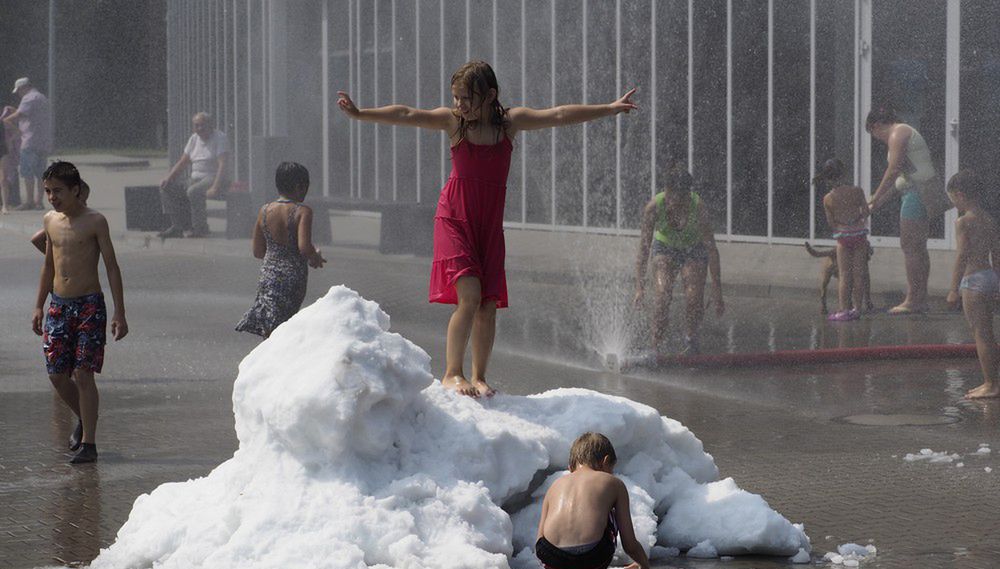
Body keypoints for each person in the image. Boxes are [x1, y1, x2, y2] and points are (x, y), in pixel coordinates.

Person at [338, 61, 635, 397]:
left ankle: (479, 376)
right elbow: (407, 114)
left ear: (490, 95)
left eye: (467, 98)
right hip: (454, 218)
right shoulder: (454, 124)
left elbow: (558, 115)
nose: (459, 105)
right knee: (470, 297)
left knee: (488, 304)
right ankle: (452, 373)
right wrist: (361, 114)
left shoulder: (509, 124)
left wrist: (609, 109)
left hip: (488, 226)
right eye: (456, 97)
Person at [31, 162, 128, 464]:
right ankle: (85, 418)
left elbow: (111, 266)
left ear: (75, 190)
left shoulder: (95, 221)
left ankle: (89, 444)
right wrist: (38, 305)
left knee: (84, 374)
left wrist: (119, 313)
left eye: (57, 191)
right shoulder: (50, 221)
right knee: (58, 375)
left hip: (89, 305)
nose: (52, 197)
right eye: (48, 191)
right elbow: (49, 264)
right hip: (59, 306)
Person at [534, 432, 650, 569]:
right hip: (592, 561)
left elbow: (540, 537)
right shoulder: (613, 483)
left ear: (570, 466)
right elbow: (629, 543)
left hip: (552, 562)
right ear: (605, 461)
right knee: (606, 515)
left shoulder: (555, 485)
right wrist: (644, 565)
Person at [633, 167, 723, 355]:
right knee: (662, 295)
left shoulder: (698, 208)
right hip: (664, 248)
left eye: (679, 200)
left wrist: (716, 289)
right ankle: (656, 345)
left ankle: (691, 340)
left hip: (693, 249)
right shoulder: (654, 208)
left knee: (693, 296)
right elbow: (644, 248)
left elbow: (712, 250)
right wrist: (639, 287)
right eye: (670, 197)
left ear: (687, 195)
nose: (673, 204)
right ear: (666, 191)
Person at [236, 162, 326, 338]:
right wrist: (315, 257)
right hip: (291, 278)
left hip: (268, 276)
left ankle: (266, 361)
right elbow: (304, 247)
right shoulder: (302, 211)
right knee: (284, 327)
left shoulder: (264, 210)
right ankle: (277, 363)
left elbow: (257, 251)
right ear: (300, 186)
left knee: (270, 325)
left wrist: (276, 257)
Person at [866, 106, 938, 314]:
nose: (877, 138)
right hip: (916, 190)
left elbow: (894, 170)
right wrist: (877, 203)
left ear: (876, 125)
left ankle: (913, 299)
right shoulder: (904, 132)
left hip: (918, 193)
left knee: (910, 246)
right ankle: (920, 298)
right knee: (917, 247)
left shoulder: (898, 132)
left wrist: (875, 196)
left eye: (873, 134)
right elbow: (901, 179)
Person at [945, 170, 1000, 399]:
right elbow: (997, 253)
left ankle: (991, 385)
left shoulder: (964, 221)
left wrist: (952, 289)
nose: (954, 204)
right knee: (987, 333)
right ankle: (992, 382)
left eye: (953, 200)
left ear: (961, 195)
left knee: (981, 334)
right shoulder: (989, 219)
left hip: (973, 280)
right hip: (989, 276)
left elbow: (962, 256)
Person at [814, 158, 871, 321]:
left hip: (843, 238)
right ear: (844, 173)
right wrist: (857, 218)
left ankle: (843, 310)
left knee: (845, 275)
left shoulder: (828, 198)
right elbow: (866, 212)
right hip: (859, 235)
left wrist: (843, 224)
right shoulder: (857, 191)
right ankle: (857, 309)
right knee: (859, 274)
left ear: (828, 177)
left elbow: (831, 223)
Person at [159, 111, 229, 238]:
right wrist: (168, 178)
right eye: (197, 125)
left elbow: (222, 164)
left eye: (203, 125)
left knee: (193, 191)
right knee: (167, 187)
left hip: (212, 177)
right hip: (194, 178)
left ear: (210, 125)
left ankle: (200, 228)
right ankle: (177, 226)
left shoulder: (220, 137)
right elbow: (183, 162)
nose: (200, 128)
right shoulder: (194, 139)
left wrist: (215, 187)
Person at [4, 78, 53, 211]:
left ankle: (29, 201)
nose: (18, 94)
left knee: (27, 172)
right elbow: (31, 115)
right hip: (43, 141)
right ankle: (39, 202)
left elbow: (19, 115)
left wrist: (5, 119)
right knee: (40, 174)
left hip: (29, 141)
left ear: (23, 88)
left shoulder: (28, 98)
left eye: (18, 91)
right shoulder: (42, 98)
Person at [31, 180, 89, 253]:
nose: (85, 204)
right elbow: (37, 239)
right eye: (82, 200)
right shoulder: (64, 218)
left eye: (85, 200)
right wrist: (56, 257)